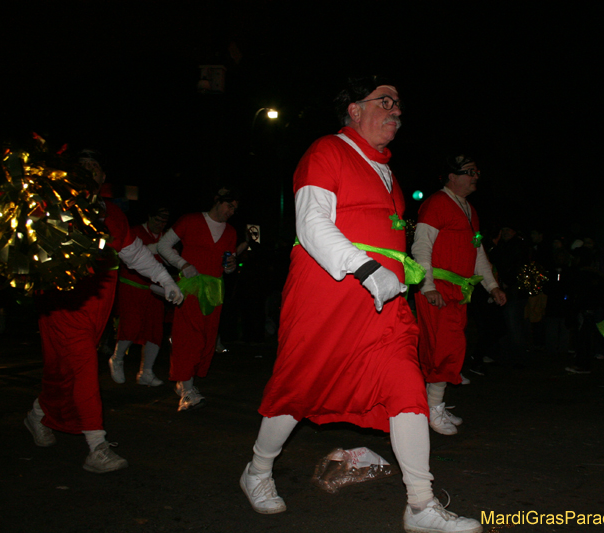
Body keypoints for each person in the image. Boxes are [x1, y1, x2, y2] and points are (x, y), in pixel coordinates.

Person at [239, 76, 482, 533]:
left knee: (405, 383)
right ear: (353, 109)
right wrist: (366, 268)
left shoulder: (385, 169)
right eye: (384, 102)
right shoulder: (326, 151)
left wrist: (398, 273)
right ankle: (257, 470)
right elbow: (312, 224)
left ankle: (421, 505)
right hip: (327, 295)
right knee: (299, 385)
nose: (395, 111)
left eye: (399, 105)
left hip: (383, 304)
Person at [25, 151, 183, 473]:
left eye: (95, 167)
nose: (89, 171)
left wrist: (166, 279)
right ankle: (97, 447)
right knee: (83, 366)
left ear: (102, 178)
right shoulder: (52, 208)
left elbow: (133, 253)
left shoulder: (111, 213)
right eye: (82, 167)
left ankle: (38, 412)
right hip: (62, 306)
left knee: (65, 372)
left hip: (97, 306)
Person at [412, 155, 506, 436]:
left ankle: (434, 405)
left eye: (477, 171)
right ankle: (431, 408)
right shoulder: (436, 204)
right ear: (451, 177)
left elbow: (477, 252)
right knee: (440, 349)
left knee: (451, 348)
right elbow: (421, 247)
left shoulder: (470, 210)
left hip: (458, 292)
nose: (475, 176)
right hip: (438, 290)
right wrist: (427, 286)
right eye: (469, 172)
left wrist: (492, 286)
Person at [157, 188, 238, 411]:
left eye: (234, 209)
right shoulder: (190, 220)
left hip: (214, 291)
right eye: (229, 205)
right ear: (217, 201)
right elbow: (163, 246)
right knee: (188, 336)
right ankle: (187, 391)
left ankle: (184, 382)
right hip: (191, 288)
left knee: (206, 340)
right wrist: (182, 264)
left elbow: (227, 264)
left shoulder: (231, 231)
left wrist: (230, 267)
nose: (231, 211)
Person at [108, 205, 171, 386]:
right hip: (132, 287)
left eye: (164, 221)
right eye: (157, 220)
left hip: (155, 291)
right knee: (131, 325)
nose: (160, 224)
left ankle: (146, 372)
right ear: (149, 218)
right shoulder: (134, 232)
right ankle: (117, 359)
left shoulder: (166, 237)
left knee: (154, 330)